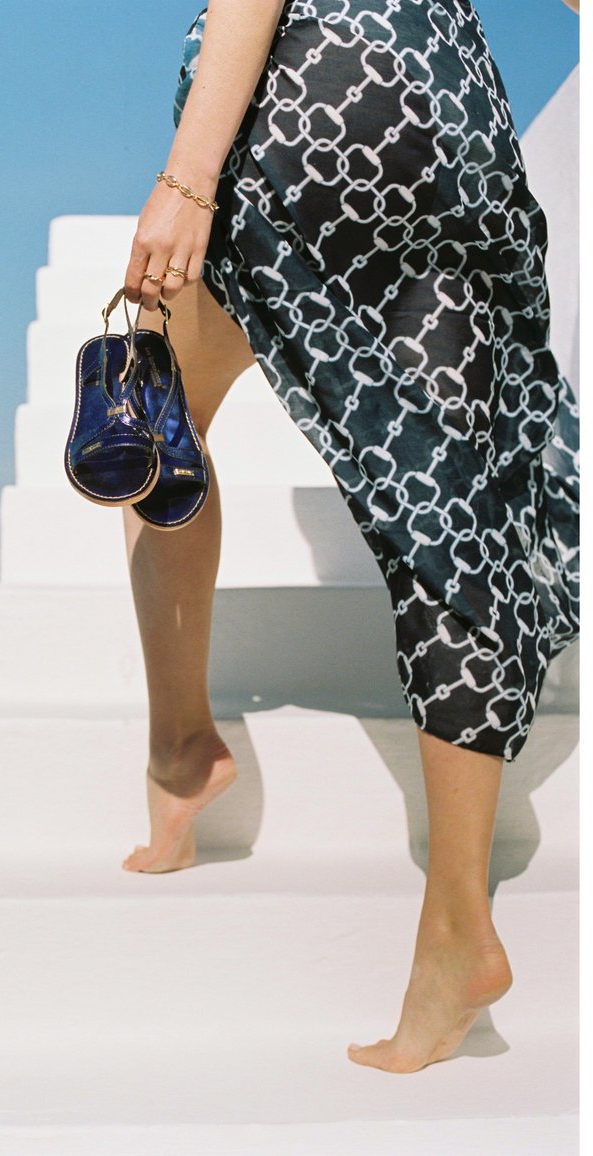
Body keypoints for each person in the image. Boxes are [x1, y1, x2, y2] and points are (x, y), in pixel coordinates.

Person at [118, 0, 580, 1073]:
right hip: (450, 113)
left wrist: (187, 178)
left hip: (315, 101)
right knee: (450, 507)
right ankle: (456, 922)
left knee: (153, 408)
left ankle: (181, 751)